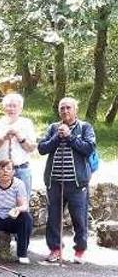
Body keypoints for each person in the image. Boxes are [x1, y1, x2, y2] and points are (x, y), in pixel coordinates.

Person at [37, 97, 96, 264]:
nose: (65, 111)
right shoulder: (53, 128)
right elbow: (42, 148)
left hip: (77, 183)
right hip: (54, 182)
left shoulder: (85, 127)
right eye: (62, 108)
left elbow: (89, 148)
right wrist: (57, 137)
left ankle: (79, 251)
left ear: (75, 109)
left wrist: (70, 137)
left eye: (68, 108)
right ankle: (55, 249)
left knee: (79, 218)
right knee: (53, 218)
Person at [0, 93, 36, 196]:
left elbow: (31, 148)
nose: (11, 109)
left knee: (22, 205)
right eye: (9, 106)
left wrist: (20, 137)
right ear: (4, 108)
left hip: (21, 170)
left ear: (20, 108)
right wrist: (2, 138)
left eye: (15, 106)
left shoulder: (27, 123)